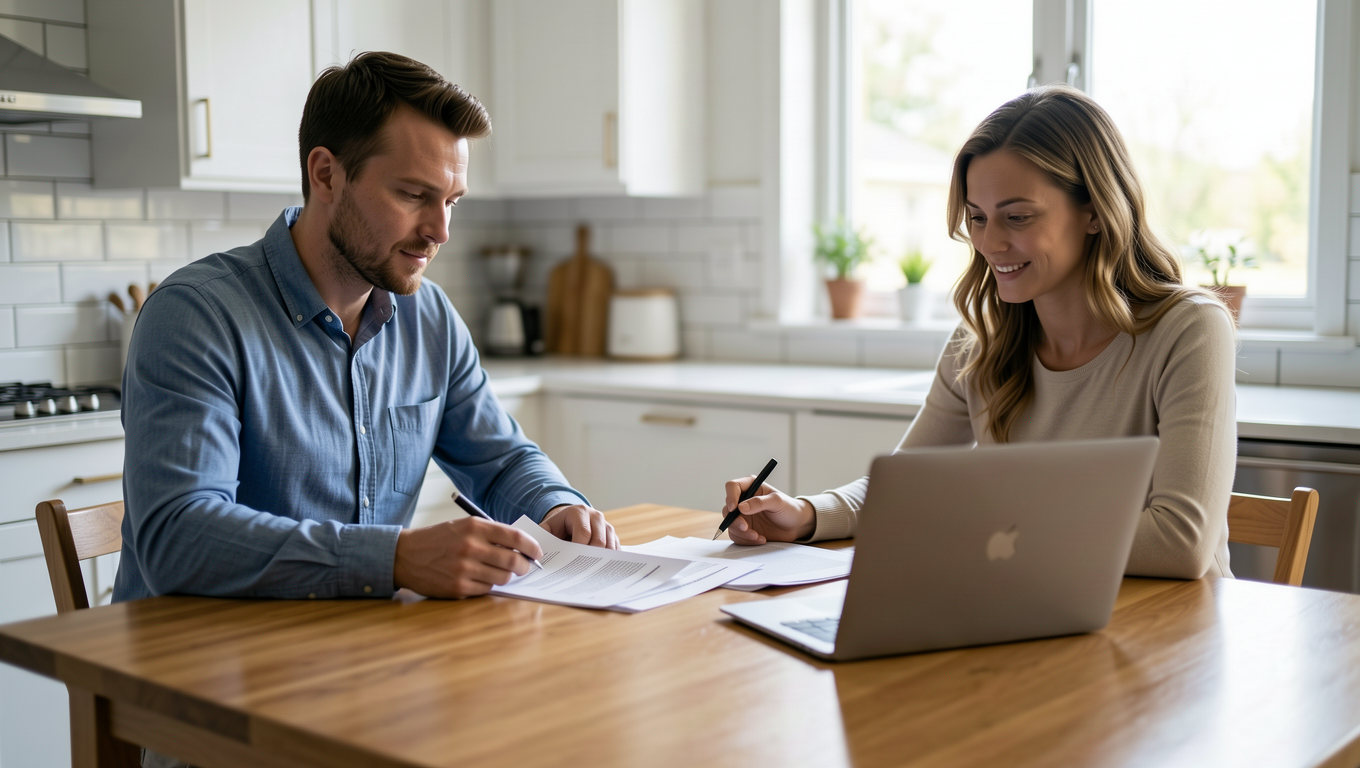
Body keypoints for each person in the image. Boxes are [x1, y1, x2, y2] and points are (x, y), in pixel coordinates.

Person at [114, 51, 616, 610]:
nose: (441, 231)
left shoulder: (429, 317)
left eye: (451, 201)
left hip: (359, 653)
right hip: (197, 671)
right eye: (413, 195)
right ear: (326, 174)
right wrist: (395, 559)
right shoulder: (195, 316)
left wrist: (556, 506)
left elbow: (499, 460)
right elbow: (178, 539)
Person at [722, 85, 1237, 580]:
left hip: (1170, 634)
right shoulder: (982, 340)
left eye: (1017, 217)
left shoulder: (1189, 330)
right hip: (1034, 611)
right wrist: (807, 514)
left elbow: (1181, 543)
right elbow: (906, 487)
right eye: (977, 218)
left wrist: (976, 526)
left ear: (1096, 213)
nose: (990, 242)